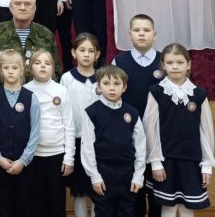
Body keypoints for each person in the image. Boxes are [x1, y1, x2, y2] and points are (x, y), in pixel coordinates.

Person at [144, 43, 215, 216]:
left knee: (187, 208)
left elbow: (206, 131)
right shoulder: (156, 92)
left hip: (192, 161)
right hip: (166, 160)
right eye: (170, 62)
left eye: (180, 62)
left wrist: (206, 165)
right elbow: (150, 128)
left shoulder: (199, 94)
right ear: (163, 65)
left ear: (188, 64)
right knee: (168, 207)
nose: (175, 66)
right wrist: (155, 162)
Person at [112, 13, 163, 216]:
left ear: (155, 34)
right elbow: (112, 98)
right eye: (137, 30)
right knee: (133, 190)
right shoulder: (119, 61)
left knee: (157, 188)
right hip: (128, 135)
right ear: (129, 34)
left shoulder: (164, 61)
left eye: (146, 30)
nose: (141, 34)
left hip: (158, 135)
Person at [81, 65, 146, 217]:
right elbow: (87, 147)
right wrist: (95, 176)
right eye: (106, 83)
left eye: (117, 84)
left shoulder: (132, 112)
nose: (111, 88)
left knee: (127, 212)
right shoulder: (91, 112)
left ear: (124, 87)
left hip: (127, 174)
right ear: (98, 86)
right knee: (104, 212)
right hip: (103, 173)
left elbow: (140, 146)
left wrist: (138, 175)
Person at [0, 49, 40, 217]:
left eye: (14, 68)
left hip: (24, 165)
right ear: (0, 70)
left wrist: (23, 160)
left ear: (22, 70)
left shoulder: (31, 98)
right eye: (6, 67)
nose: (10, 71)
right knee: (2, 206)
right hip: (0, 164)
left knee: (24, 207)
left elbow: (35, 133)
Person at [24, 49, 75, 217]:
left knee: (56, 203)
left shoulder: (61, 90)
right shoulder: (24, 91)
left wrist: (69, 158)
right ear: (30, 68)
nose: (43, 66)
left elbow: (69, 126)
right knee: (35, 203)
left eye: (47, 63)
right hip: (32, 157)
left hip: (57, 156)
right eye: (38, 63)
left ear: (53, 68)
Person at [0, 0, 61, 89]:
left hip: (38, 94)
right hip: (4, 93)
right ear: (10, 7)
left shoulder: (46, 35)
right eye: (17, 4)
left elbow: (56, 71)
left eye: (27, 4)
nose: (22, 8)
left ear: (34, 8)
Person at [60, 33, 102, 217]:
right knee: (79, 190)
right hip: (76, 141)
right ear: (73, 52)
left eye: (91, 51)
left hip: (99, 142)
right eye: (82, 50)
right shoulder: (66, 78)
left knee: (98, 189)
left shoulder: (103, 78)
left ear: (97, 54)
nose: (86, 54)